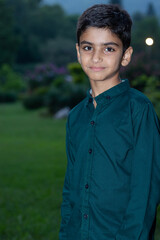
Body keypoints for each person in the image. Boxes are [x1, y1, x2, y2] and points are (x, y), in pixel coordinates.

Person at [59, 4, 160, 240]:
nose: (96, 57)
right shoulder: (75, 117)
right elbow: (70, 188)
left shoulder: (139, 110)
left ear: (125, 55)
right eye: (88, 47)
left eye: (109, 48)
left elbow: (145, 193)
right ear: (78, 52)